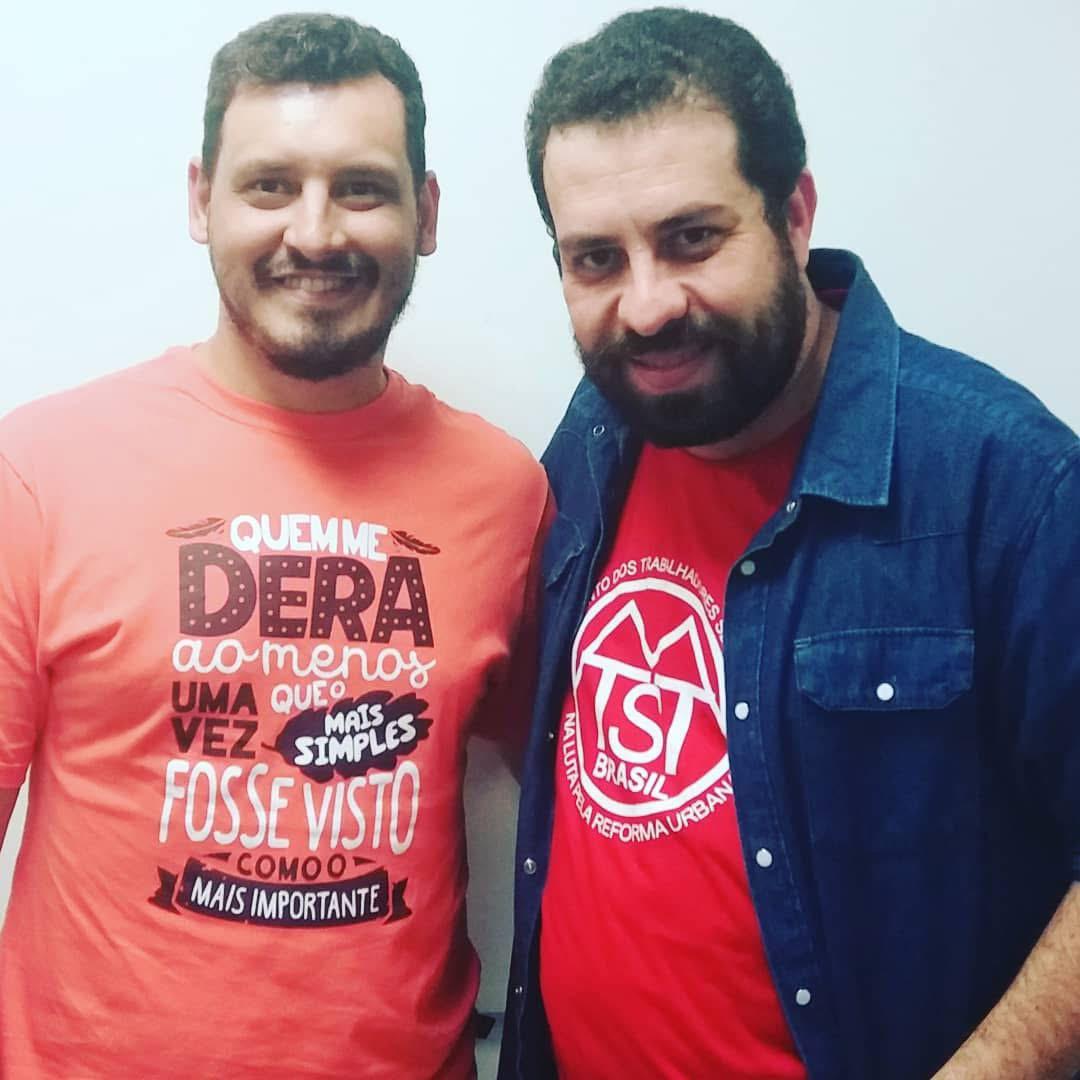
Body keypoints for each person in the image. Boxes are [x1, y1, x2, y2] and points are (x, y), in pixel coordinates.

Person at [500, 8, 1080, 1079]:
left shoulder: (1010, 483)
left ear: (795, 214)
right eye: (597, 259)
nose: (647, 306)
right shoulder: (594, 437)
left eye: (692, 238)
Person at [0, 13, 548, 1078]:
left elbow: (576, 809)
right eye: (270, 186)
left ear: (427, 212)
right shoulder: (43, 468)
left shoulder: (506, 492)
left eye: (362, 188)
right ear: (200, 199)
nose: (316, 232)